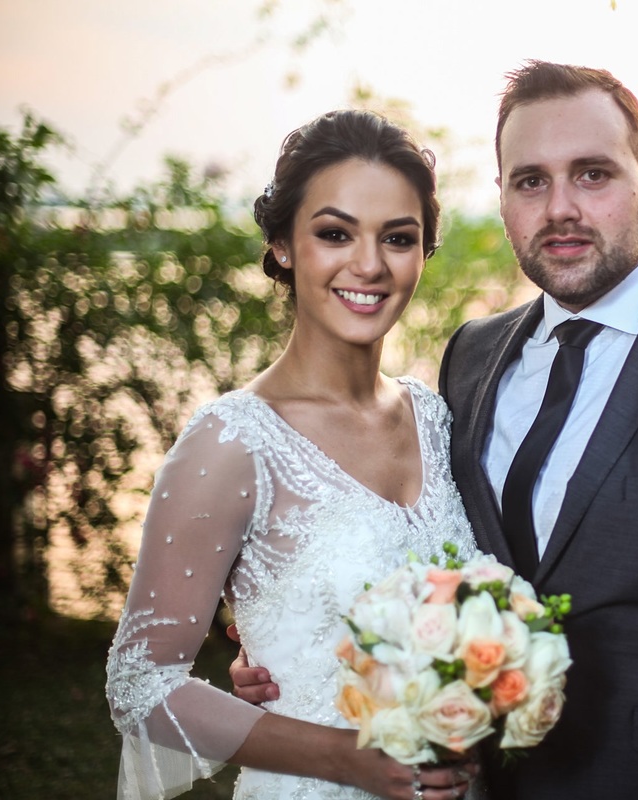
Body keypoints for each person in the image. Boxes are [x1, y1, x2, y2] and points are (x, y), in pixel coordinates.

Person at [237, 61, 638, 799]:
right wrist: (295, 657)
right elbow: (431, 570)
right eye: (530, 182)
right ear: (503, 201)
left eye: (592, 175)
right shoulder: (472, 357)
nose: (560, 209)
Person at [106, 109, 482, 800]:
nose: (369, 264)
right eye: (335, 233)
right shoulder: (232, 441)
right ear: (282, 245)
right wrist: (349, 759)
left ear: (424, 252)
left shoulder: (436, 418)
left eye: (398, 238)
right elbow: (139, 684)